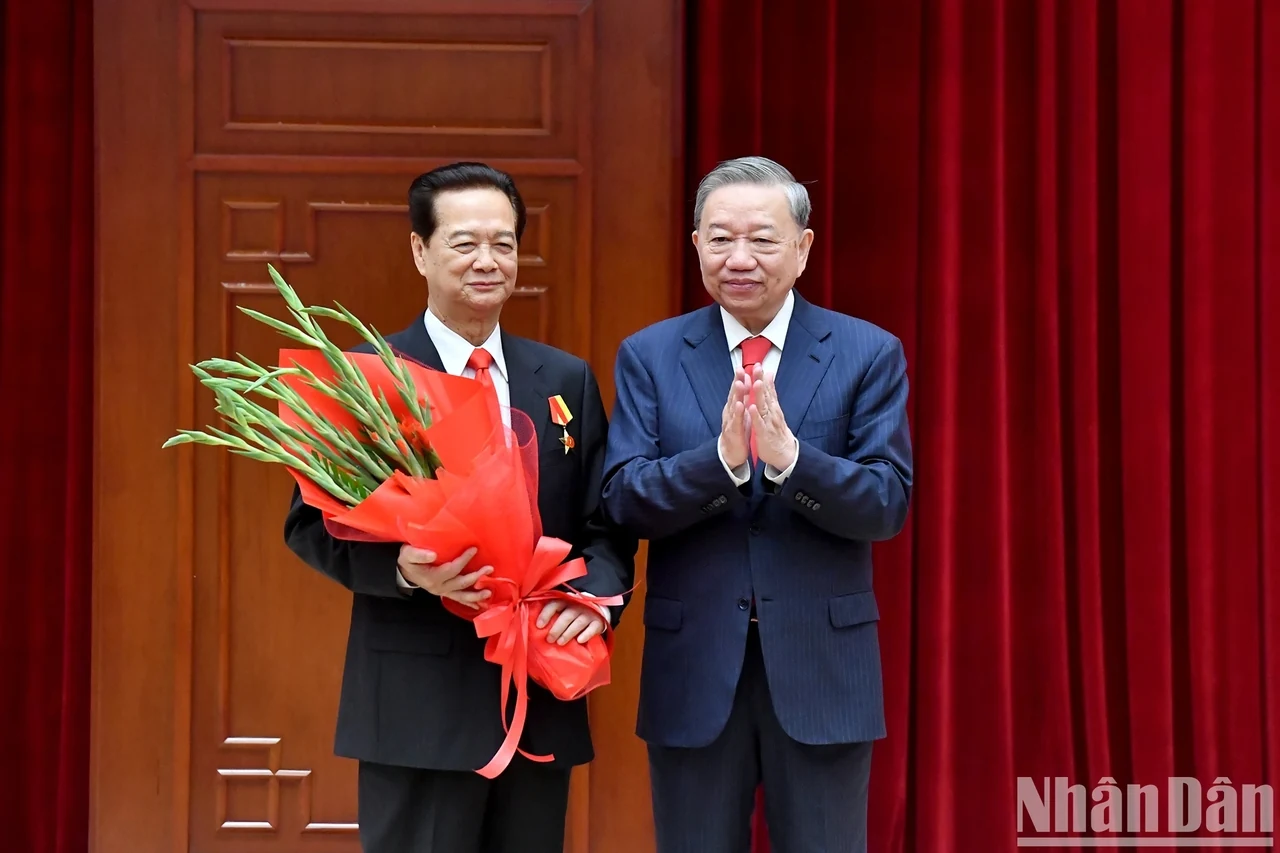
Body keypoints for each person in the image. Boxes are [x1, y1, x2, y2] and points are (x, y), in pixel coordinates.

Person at [283, 162, 637, 853]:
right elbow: (309, 523)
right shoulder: (369, 377)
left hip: (536, 696)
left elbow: (607, 522)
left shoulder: (564, 379)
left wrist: (589, 597)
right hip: (416, 702)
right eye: (465, 242)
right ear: (420, 251)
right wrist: (408, 572)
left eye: (503, 244)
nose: (488, 261)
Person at [601, 155, 912, 853]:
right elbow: (623, 498)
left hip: (823, 669)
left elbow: (886, 502)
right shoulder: (651, 355)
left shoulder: (865, 353)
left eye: (762, 239)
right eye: (720, 238)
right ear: (697, 247)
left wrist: (794, 461)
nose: (739, 257)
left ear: (802, 248)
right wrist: (719, 464)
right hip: (694, 672)